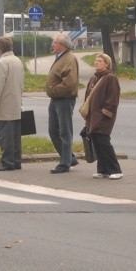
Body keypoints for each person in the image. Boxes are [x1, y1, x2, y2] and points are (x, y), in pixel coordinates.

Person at [82, 53, 122, 179]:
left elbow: (113, 99)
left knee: (103, 141)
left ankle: (116, 169)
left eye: (100, 61)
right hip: (93, 116)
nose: (96, 62)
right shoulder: (94, 78)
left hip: (104, 116)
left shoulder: (110, 78)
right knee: (96, 141)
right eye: (96, 60)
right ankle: (103, 170)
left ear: (107, 64)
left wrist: (104, 113)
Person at [0, 36, 24, 171]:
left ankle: (7, 162)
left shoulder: (1, 63)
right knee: (15, 135)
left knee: (5, 136)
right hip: (15, 103)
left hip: (4, 105)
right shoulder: (17, 61)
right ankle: (16, 161)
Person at [46, 33, 79, 173]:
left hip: (64, 99)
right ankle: (70, 157)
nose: (53, 44)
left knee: (65, 132)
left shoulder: (69, 59)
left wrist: (53, 90)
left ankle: (65, 163)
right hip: (56, 99)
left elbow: (69, 84)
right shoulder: (60, 57)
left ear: (63, 45)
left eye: (55, 42)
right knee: (53, 131)